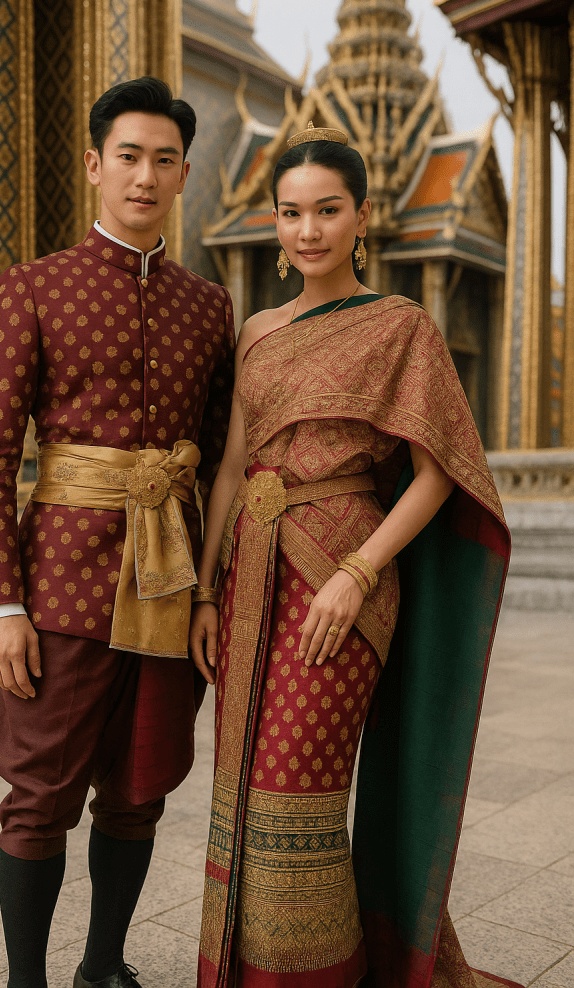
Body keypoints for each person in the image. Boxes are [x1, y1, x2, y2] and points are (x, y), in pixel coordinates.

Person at [190, 124, 517, 988]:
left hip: (340, 577)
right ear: (273, 222)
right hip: (251, 578)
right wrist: (205, 593)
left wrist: (358, 571)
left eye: (326, 211)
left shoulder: (399, 327)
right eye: (291, 214)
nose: (307, 232)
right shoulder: (257, 330)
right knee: (245, 799)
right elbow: (230, 467)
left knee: (300, 798)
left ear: (361, 217)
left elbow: (439, 473)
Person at [0, 76, 235, 988]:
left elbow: (228, 457)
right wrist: (0, 603)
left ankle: (103, 964)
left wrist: (209, 592)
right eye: (129, 156)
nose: (145, 176)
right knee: (39, 799)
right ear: (95, 165)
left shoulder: (209, 307)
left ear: (185, 173)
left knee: (138, 792)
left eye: (164, 160)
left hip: (168, 591)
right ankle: (27, 981)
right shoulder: (34, 287)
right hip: (60, 587)